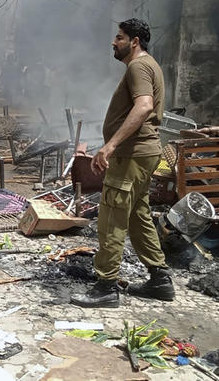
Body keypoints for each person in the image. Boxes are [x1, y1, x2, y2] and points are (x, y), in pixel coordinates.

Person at [70, 19, 175, 308]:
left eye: (119, 37)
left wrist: (110, 145)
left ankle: (106, 286)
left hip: (132, 155)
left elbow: (144, 106)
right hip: (144, 154)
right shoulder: (150, 65)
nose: (114, 42)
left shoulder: (138, 66)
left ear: (135, 41)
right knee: (136, 214)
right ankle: (160, 279)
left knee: (112, 216)